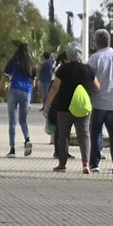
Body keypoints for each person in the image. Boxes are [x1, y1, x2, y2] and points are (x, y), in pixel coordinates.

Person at [43, 44, 97, 173]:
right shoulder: (87, 69)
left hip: (64, 107)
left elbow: (55, 87)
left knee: (63, 135)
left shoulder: (62, 69)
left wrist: (47, 105)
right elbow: (97, 85)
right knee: (84, 135)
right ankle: (86, 164)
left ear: (68, 55)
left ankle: (62, 164)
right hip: (83, 107)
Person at [86, 30, 113, 174]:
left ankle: (95, 163)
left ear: (97, 42)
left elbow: (88, 78)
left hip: (98, 102)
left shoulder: (94, 59)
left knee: (96, 132)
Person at [4, 43, 37, 156]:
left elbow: (5, 76)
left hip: (14, 90)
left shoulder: (14, 61)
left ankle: (12, 149)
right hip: (26, 92)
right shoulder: (31, 64)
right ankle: (27, 139)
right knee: (23, 120)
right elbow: (33, 83)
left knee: (12, 121)